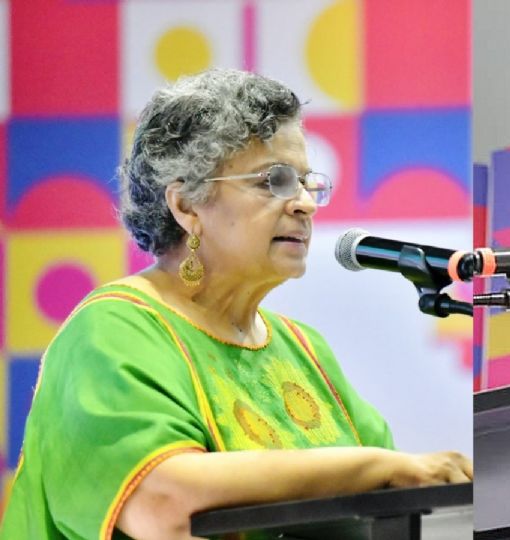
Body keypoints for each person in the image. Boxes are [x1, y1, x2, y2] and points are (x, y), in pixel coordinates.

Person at [0, 69, 472, 540]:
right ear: (187, 205)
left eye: (307, 182)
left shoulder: (305, 350)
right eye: (275, 181)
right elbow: (163, 503)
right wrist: (376, 467)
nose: (305, 203)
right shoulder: (113, 330)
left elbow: (399, 504)